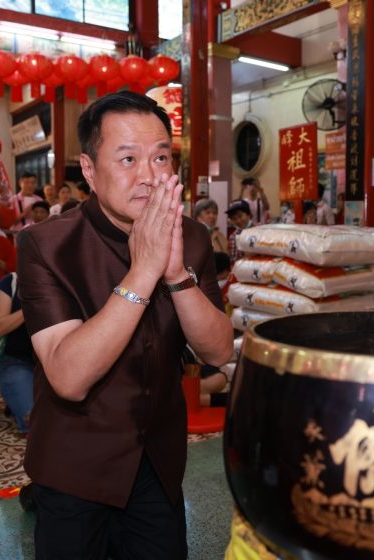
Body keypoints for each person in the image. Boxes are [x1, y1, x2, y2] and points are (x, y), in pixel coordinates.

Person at [17, 91, 233, 558]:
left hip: (157, 460)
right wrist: (143, 271)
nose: (149, 175)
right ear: (90, 170)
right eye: (128, 159)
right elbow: (68, 378)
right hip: (74, 465)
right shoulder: (46, 246)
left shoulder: (192, 238)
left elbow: (219, 351)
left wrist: (175, 275)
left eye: (161, 158)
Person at [0, 271, 33, 435]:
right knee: (34, 422)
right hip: (17, 361)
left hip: (53, 364)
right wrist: (30, 305)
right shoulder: (12, 281)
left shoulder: (64, 279)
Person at [225, 199, 254, 264]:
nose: (238, 221)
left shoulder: (259, 231)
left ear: (248, 214)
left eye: (240, 216)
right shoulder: (233, 236)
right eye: (234, 219)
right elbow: (233, 260)